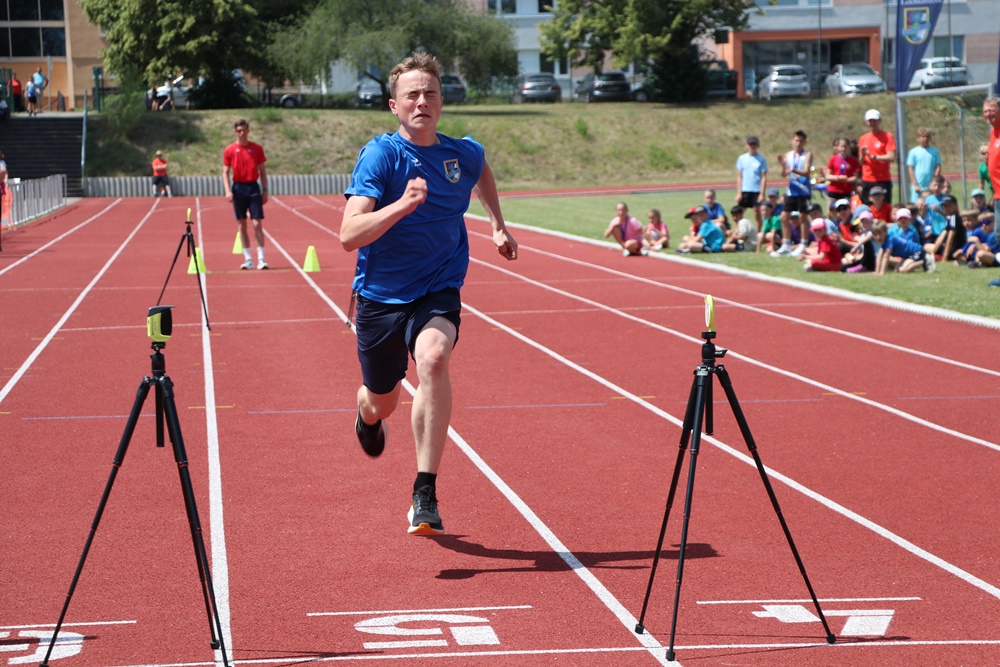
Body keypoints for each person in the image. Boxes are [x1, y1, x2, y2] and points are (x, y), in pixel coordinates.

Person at [340, 52, 517, 536]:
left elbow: (482, 171)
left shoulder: (463, 153)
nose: (422, 101)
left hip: (438, 287)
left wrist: (497, 225)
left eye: (430, 94)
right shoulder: (381, 156)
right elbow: (349, 235)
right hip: (381, 298)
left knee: (435, 359)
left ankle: (424, 492)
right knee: (384, 401)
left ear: (442, 102)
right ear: (394, 105)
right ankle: (367, 413)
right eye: (412, 95)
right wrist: (402, 205)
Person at [222, 118, 270, 270]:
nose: (242, 133)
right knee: (241, 225)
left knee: (257, 223)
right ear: (235, 132)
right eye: (239, 131)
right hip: (238, 188)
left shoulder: (256, 149)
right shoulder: (229, 150)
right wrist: (228, 190)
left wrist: (265, 190)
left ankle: (261, 258)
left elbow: (262, 171)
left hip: (253, 187)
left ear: (248, 131)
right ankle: (248, 259)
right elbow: (225, 172)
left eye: (245, 130)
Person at [770, 129, 812, 257]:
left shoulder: (807, 155)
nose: (798, 143)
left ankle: (803, 244)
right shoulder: (789, 155)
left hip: (803, 190)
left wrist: (795, 170)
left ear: (805, 142)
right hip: (792, 191)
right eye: (796, 140)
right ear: (792, 141)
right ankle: (786, 245)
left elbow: (807, 172)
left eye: (801, 141)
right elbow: (784, 174)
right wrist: (783, 165)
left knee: (803, 217)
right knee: (784, 217)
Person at [858, 108, 896, 204]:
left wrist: (874, 157)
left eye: (875, 120)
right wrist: (863, 154)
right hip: (868, 178)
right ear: (867, 122)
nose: (872, 123)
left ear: (879, 121)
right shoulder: (863, 138)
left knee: (884, 207)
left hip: (883, 178)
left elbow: (891, 157)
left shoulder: (887, 136)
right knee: (867, 208)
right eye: (870, 121)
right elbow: (861, 162)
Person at [735, 136, 768, 231]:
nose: (752, 146)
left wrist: (762, 193)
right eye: (750, 144)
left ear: (758, 145)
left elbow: (763, 177)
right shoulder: (742, 158)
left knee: (757, 213)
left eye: (754, 144)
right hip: (745, 189)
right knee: (739, 213)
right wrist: (739, 192)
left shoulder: (761, 159)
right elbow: (739, 176)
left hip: (756, 190)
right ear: (746, 145)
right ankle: (737, 231)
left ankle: (757, 233)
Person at [905, 127, 942, 203]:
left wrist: (934, 182)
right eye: (923, 137)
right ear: (918, 138)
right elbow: (910, 168)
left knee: (930, 204)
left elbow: (938, 166)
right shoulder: (913, 152)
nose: (925, 139)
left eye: (927, 137)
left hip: (930, 185)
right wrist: (915, 184)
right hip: (918, 185)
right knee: (916, 205)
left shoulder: (935, 151)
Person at [822, 137, 860, 206]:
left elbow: (855, 177)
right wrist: (837, 178)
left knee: (846, 211)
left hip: (847, 191)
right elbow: (827, 176)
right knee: (831, 211)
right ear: (838, 147)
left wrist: (846, 180)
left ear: (849, 147)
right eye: (842, 147)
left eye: (846, 147)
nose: (843, 149)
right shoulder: (833, 159)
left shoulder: (853, 160)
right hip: (834, 190)